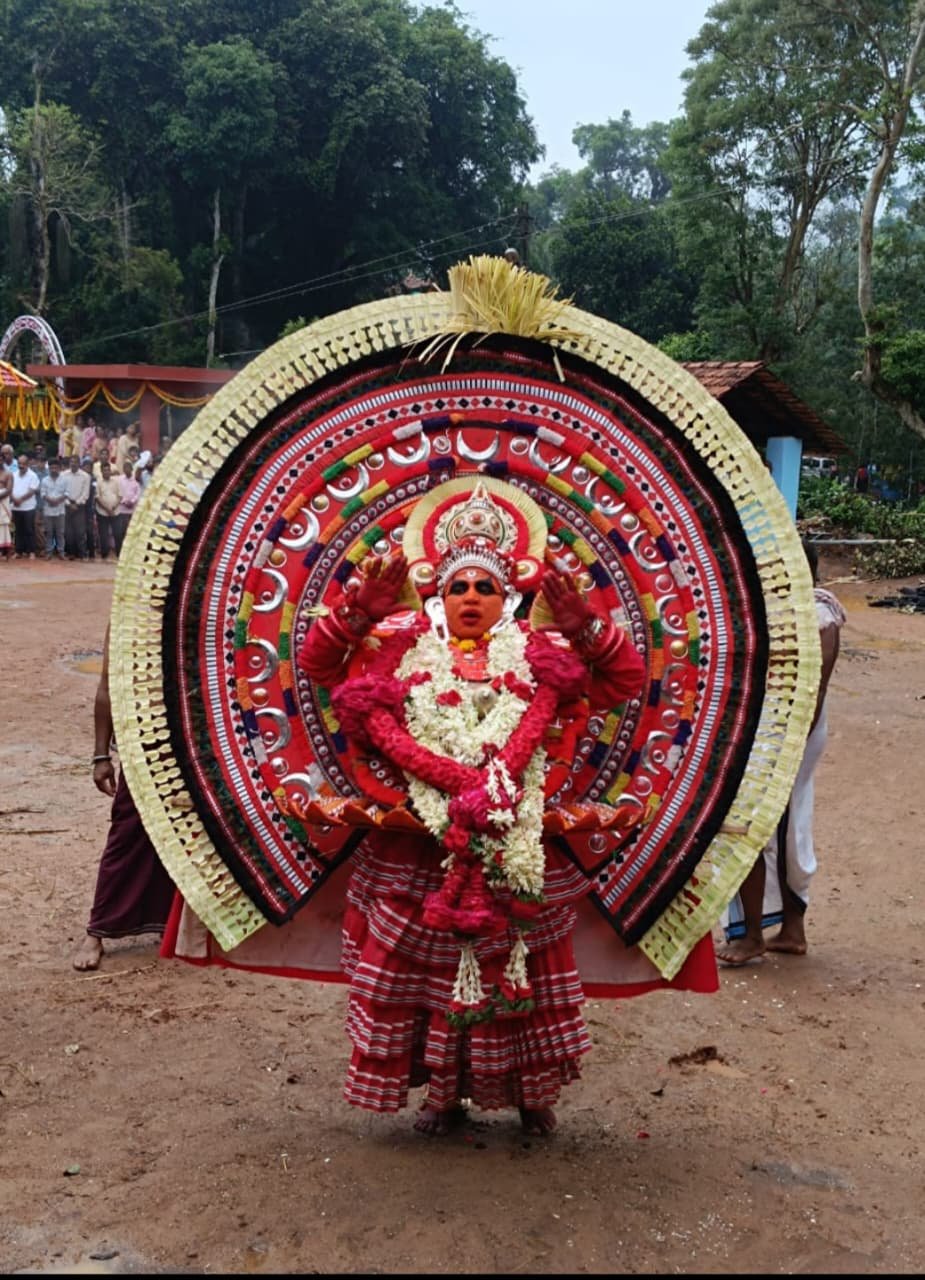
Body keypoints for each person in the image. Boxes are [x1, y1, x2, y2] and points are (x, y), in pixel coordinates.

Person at [288, 479, 712, 1135]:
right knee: (429, 978)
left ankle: (530, 1096)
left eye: (484, 587)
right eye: (457, 586)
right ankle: (441, 1098)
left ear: (506, 596)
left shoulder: (540, 657)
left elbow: (626, 678)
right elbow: (319, 666)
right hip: (425, 845)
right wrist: (359, 611)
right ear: (438, 595)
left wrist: (583, 625)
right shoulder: (404, 649)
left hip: (514, 838)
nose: (470, 597)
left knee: (521, 974)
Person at [717, 540, 845, 964]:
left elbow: (813, 693)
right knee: (780, 827)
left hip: (789, 737)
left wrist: (787, 749)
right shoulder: (778, 611)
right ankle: (786, 930)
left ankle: (756, 934)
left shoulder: (819, 615)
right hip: (773, 732)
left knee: (759, 824)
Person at [73, 624, 177, 971]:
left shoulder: (198, 610)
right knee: (127, 830)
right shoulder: (128, 616)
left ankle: (178, 924)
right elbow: (108, 686)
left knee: (189, 832)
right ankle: (97, 931)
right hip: (144, 740)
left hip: (191, 741)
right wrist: (101, 756)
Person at [10, 453, 40, 557]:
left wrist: (20, 499)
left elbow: (32, 491)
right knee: (18, 530)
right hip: (15, 507)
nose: (21, 465)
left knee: (29, 530)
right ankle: (19, 551)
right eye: (19, 463)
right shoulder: (13, 475)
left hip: (28, 507)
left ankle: (31, 551)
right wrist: (14, 499)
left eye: (23, 463)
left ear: (28, 464)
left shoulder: (33, 476)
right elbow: (9, 489)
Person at [62, 453, 91, 559]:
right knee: (68, 532)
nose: (73, 464)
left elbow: (85, 493)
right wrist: (69, 504)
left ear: (79, 463)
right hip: (67, 505)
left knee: (80, 532)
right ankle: (71, 553)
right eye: (71, 462)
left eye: (75, 462)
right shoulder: (63, 475)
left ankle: (82, 553)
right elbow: (62, 491)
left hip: (79, 507)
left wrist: (76, 503)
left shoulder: (86, 476)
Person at [40, 455, 68, 558]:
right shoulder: (44, 480)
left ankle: (61, 552)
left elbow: (67, 493)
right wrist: (51, 500)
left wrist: (57, 500)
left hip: (60, 510)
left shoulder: (64, 480)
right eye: (52, 468)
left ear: (59, 468)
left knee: (60, 533)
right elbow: (43, 494)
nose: (54, 470)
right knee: (49, 532)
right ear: (49, 468)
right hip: (48, 510)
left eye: (56, 468)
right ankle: (49, 552)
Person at [94, 460, 120, 559]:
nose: (107, 472)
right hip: (102, 512)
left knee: (117, 533)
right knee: (103, 534)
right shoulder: (98, 483)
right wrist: (107, 509)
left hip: (115, 511)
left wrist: (113, 507)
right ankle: (104, 554)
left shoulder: (116, 482)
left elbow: (120, 496)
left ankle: (119, 554)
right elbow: (97, 498)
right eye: (104, 470)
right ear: (101, 471)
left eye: (108, 470)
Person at [115, 458, 141, 546]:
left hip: (132, 510)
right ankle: (121, 547)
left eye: (128, 467)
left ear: (131, 469)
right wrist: (124, 501)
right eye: (125, 467)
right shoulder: (119, 479)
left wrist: (132, 502)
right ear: (123, 469)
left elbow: (137, 493)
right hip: (122, 509)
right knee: (121, 530)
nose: (127, 469)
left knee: (131, 531)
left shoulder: (135, 480)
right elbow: (117, 491)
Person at [0, 463, 12, 561]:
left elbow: (9, 490)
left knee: (3, 526)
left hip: (3, 501)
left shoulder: (8, 474)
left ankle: (5, 552)